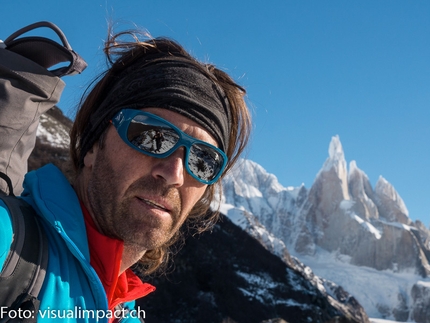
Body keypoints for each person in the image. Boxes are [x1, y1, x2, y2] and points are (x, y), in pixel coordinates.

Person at [0, 25, 251, 322]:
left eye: (203, 161)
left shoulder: (123, 312)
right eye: (152, 136)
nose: (174, 173)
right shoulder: (8, 243)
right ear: (93, 144)